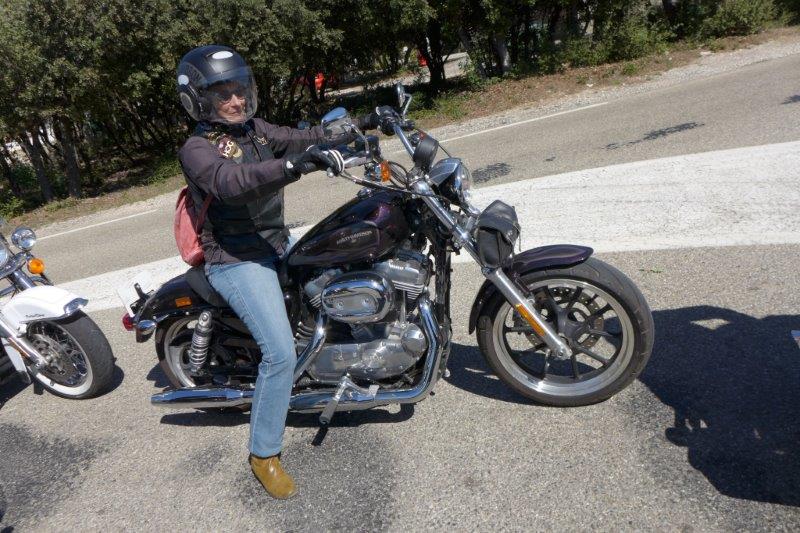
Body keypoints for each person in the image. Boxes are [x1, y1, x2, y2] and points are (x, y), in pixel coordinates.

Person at [176, 45, 379, 499]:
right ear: (199, 101)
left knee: (339, 275)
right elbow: (231, 183)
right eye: (222, 94)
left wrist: (363, 122)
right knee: (280, 353)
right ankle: (263, 453)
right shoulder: (197, 149)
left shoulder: (255, 130)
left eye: (238, 90)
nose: (235, 101)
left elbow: (304, 137)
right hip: (237, 259)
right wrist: (293, 166)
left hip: (275, 242)